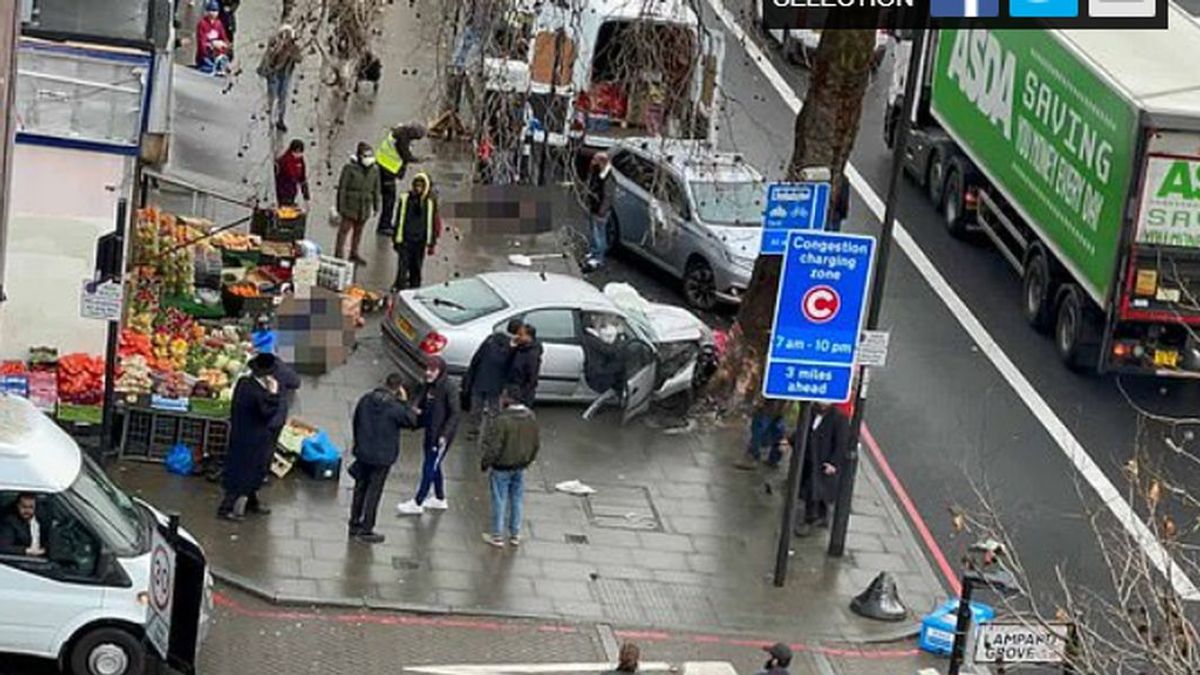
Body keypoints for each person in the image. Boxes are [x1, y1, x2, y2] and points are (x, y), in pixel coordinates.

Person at [349, 374, 417, 543]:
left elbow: (356, 421)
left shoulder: (365, 400)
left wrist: (358, 444)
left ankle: (354, 522)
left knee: (360, 488)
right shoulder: (395, 407)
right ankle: (366, 529)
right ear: (398, 388)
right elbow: (411, 421)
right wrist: (404, 401)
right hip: (382, 457)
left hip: (363, 452)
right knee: (374, 492)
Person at [218, 354, 281, 522]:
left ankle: (252, 501)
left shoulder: (243, 383)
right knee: (243, 473)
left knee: (255, 470)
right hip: (251, 437)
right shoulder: (256, 393)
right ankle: (226, 507)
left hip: (242, 434)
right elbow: (266, 413)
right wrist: (273, 394)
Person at [397, 356, 460, 516]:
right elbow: (423, 402)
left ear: (440, 371)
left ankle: (418, 502)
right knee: (434, 465)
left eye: (432, 370)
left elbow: (455, 414)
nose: (428, 373)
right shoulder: (429, 386)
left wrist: (444, 435)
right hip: (431, 431)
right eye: (427, 369)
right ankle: (439, 498)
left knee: (429, 467)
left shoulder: (449, 387)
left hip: (440, 435)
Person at [480, 386, 540, 548]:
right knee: (517, 499)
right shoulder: (531, 417)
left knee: (499, 500)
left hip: (502, 467)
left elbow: (494, 447)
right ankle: (515, 534)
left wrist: (485, 463)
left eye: (503, 396)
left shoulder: (502, 420)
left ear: (508, 399)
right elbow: (536, 443)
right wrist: (528, 460)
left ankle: (497, 535)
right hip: (520, 466)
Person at [793, 402, 851, 537]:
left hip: (823, 462)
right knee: (811, 489)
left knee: (816, 490)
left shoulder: (839, 418)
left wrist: (833, 463)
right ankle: (821, 517)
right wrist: (790, 440)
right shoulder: (810, 411)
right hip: (809, 457)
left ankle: (811, 519)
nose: (822, 404)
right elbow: (802, 431)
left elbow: (841, 444)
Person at [462, 319, 522, 437]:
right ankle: (492, 432)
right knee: (494, 410)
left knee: (476, 408)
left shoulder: (491, 339)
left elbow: (476, 358)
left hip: (480, 379)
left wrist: (471, 375)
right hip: (496, 383)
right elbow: (508, 365)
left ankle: (473, 430)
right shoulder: (512, 346)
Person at [375, 124, 426, 237]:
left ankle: (385, 224)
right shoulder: (402, 139)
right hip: (387, 169)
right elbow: (406, 156)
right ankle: (384, 226)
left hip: (384, 166)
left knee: (388, 199)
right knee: (389, 200)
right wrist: (419, 159)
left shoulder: (401, 133)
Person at [391, 172, 440, 291]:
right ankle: (399, 286)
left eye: (421, 186)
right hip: (406, 239)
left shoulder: (430, 202)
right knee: (403, 266)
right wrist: (396, 239)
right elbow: (399, 219)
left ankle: (414, 288)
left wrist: (432, 243)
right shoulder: (406, 199)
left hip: (420, 241)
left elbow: (433, 223)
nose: (418, 189)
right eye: (416, 186)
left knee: (416, 267)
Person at [336, 142, 380, 265]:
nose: (369, 158)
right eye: (366, 155)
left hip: (364, 207)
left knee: (358, 232)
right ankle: (338, 255)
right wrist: (341, 206)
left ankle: (354, 253)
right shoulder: (349, 169)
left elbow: (376, 189)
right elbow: (342, 188)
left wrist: (376, 206)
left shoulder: (375, 170)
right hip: (350, 205)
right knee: (343, 232)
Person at [580, 315, 627, 420]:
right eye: (600, 322)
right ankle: (618, 394)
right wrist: (620, 337)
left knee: (617, 367)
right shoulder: (590, 338)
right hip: (598, 374)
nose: (603, 325)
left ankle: (617, 394)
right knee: (619, 368)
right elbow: (609, 351)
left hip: (598, 370)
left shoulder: (590, 336)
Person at [258, 25, 302, 132]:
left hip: (285, 74)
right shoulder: (274, 42)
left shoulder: (293, 47)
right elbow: (269, 56)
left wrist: (292, 52)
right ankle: (271, 118)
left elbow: (299, 59)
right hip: (273, 73)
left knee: (283, 97)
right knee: (272, 96)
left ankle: (280, 119)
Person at [583, 152, 615, 271]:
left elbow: (608, 196)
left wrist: (602, 211)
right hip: (594, 206)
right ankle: (593, 251)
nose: (592, 162)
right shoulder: (599, 173)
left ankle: (598, 257)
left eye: (595, 160)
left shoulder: (608, 178)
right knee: (593, 231)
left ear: (602, 162)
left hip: (600, 210)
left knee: (599, 235)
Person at [735, 400, 788, 470]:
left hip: (770, 405)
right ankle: (774, 458)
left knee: (759, 427)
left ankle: (752, 456)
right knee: (778, 430)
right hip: (781, 404)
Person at [506, 323, 542, 407]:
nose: (517, 337)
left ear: (529, 337)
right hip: (513, 389)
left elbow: (531, 377)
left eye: (521, 335)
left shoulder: (531, 354)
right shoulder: (520, 348)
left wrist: (521, 397)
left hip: (520, 393)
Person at [195, 1, 232, 75]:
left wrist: (225, 46)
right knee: (209, 67)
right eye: (211, 10)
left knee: (223, 65)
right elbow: (201, 41)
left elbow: (223, 37)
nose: (213, 13)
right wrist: (209, 47)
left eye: (215, 11)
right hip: (206, 54)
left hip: (217, 53)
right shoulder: (202, 24)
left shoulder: (218, 24)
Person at [274, 139, 310, 208]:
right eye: (296, 151)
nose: (298, 153)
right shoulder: (284, 160)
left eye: (300, 151)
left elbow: (302, 178)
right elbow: (285, 176)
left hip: (292, 191)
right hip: (283, 191)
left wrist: (306, 195)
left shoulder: (300, 160)